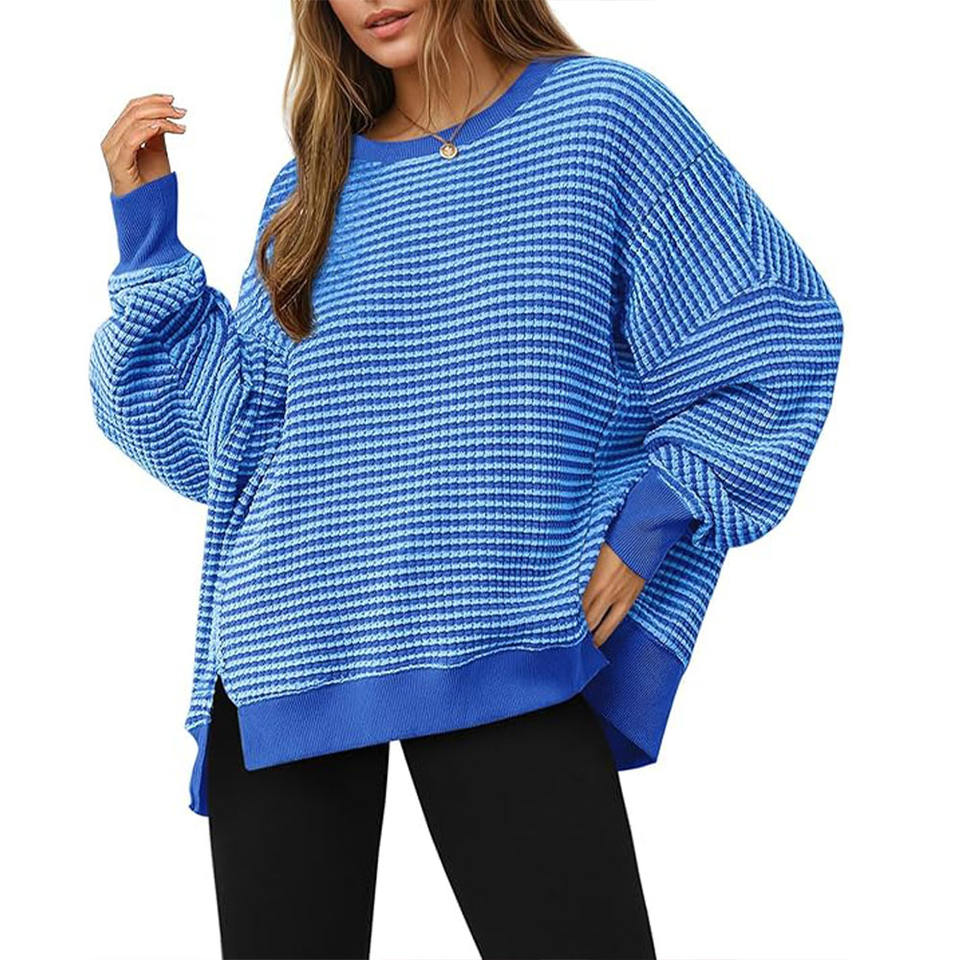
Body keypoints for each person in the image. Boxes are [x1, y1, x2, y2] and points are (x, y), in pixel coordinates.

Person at [90, 1, 843, 957]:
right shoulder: (311, 188)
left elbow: (775, 329)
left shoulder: (603, 116)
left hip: (504, 624)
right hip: (287, 643)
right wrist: (148, 238)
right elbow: (228, 444)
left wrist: (652, 518)